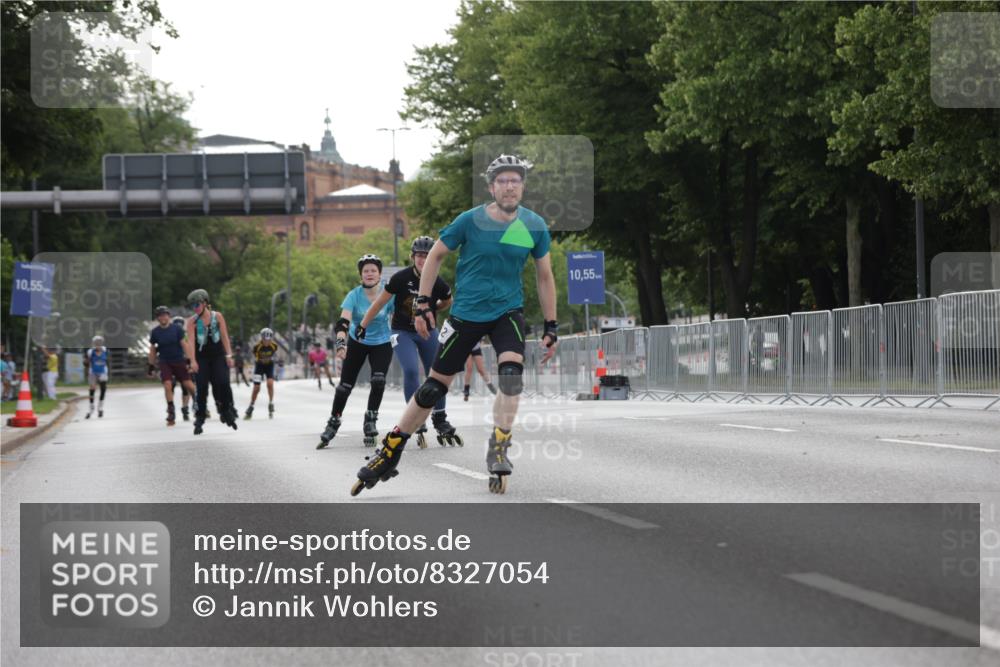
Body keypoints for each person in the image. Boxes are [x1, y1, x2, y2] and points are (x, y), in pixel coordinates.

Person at [351, 154, 558, 496]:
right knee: (433, 389)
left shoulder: (532, 225)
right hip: (466, 316)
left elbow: (545, 275)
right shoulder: (470, 221)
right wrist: (422, 303)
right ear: (492, 187)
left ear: (522, 186)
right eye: (502, 181)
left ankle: (499, 445)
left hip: (508, 312)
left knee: (511, 376)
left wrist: (551, 326)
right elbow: (434, 256)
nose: (509, 186)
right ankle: (390, 449)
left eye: (515, 180)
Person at [358, 235, 457, 448]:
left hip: (427, 332)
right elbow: (377, 304)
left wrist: (435, 308)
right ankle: (414, 420)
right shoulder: (400, 279)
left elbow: (448, 300)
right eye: (419, 256)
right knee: (411, 370)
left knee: (437, 374)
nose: (423, 260)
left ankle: (440, 419)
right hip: (402, 331)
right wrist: (362, 325)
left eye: (427, 256)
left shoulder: (436, 281)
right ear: (412, 257)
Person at [316, 254, 394, 449]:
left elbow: (402, 313)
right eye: (365, 271)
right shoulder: (354, 295)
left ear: (379, 274)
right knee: (344, 387)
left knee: (378, 380)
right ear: (361, 275)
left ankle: (370, 420)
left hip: (382, 342)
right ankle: (333, 422)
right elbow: (343, 322)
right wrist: (341, 344)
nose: (369, 274)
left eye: (373, 271)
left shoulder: (388, 293)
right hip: (357, 342)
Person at [185, 289, 239, 435]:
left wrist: (229, 356)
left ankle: (226, 410)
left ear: (205, 303)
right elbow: (190, 343)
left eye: (197, 304)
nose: (195, 308)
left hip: (218, 356)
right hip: (201, 359)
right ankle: (200, 417)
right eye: (193, 306)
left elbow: (225, 337)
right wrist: (193, 361)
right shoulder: (192, 322)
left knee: (223, 383)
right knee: (202, 388)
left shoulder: (218, 317)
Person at [148, 306, 197, 426]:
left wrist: (190, 361)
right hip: (165, 362)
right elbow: (153, 350)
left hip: (179, 360)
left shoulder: (177, 329)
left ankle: (199, 402)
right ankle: (171, 410)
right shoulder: (155, 332)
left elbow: (185, 345)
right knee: (167, 384)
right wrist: (151, 366)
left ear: (168, 316)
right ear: (157, 318)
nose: (163, 317)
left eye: (165, 315)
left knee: (188, 384)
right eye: (160, 315)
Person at [244, 327, 279, 419]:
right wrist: (263, 359)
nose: (267, 342)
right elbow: (257, 357)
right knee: (256, 388)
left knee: (270, 384)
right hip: (259, 366)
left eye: (269, 340)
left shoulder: (274, 346)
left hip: (269, 366)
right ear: (262, 338)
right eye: (265, 340)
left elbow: (274, 354)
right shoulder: (257, 347)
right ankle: (251, 405)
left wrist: (269, 359)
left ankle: (271, 403)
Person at [84, 336, 109, 418]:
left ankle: (100, 407)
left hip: (103, 372)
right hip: (93, 372)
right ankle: (91, 407)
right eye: (96, 343)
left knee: (103, 389)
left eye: (99, 343)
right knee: (92, 389)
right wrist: (86, 362)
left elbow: (107, 360)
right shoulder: (90, 352)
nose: (98, 344)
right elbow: (86, 362)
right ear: (94, 343)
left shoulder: (105, 350)